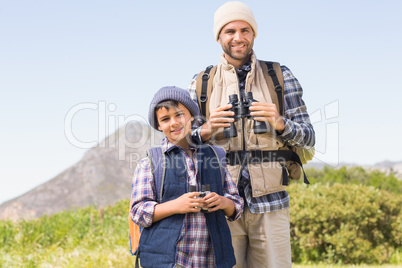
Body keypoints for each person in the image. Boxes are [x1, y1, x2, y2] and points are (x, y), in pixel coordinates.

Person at [187, 2, 315, 267]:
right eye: (229, 31)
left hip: (272, 204)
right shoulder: (201, 82)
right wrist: (206, 130)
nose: (238, 37)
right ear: (219, 37)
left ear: (254, 34)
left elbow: (310, 138)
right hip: (220, 205)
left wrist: (280, 123)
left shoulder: (280, 76)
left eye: (245, 30)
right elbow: (180, 144)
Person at [130, 86, 244, 268]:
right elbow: (138, 212)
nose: (174, 123)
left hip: (211, 260)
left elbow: (236, 206)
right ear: (159, 126)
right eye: (165, 119)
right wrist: (176, 206)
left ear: (192, 116)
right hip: (170, 261)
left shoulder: (216, 156)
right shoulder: (151, 162)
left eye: (179, 115)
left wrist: (223, 202)